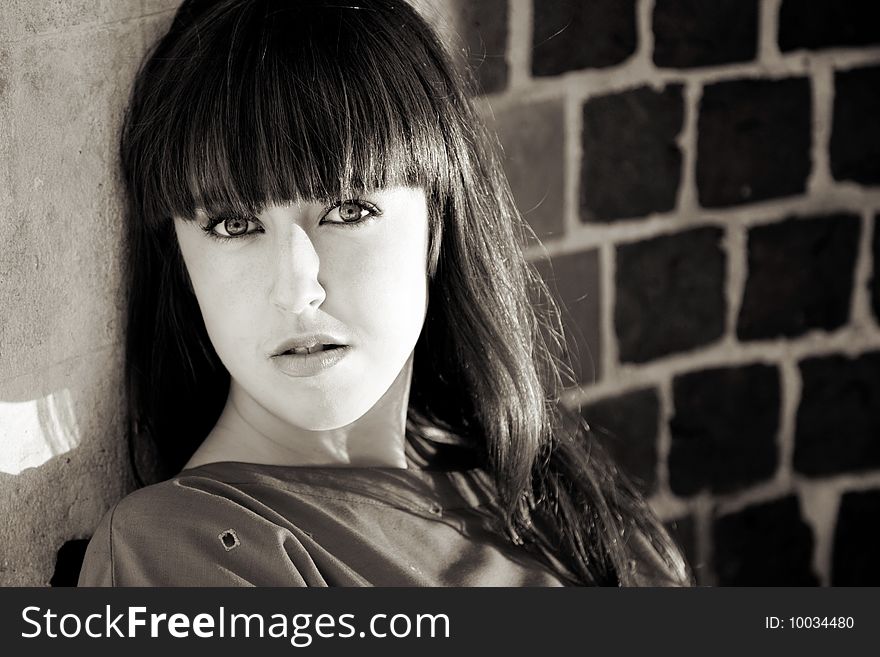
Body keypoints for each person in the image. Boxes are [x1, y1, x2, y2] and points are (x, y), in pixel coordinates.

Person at [78, 0, 691, 587]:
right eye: (234, 226)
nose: (297, 291)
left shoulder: (532, 477)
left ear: (439, 219)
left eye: (348, 211)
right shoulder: (186, 549)